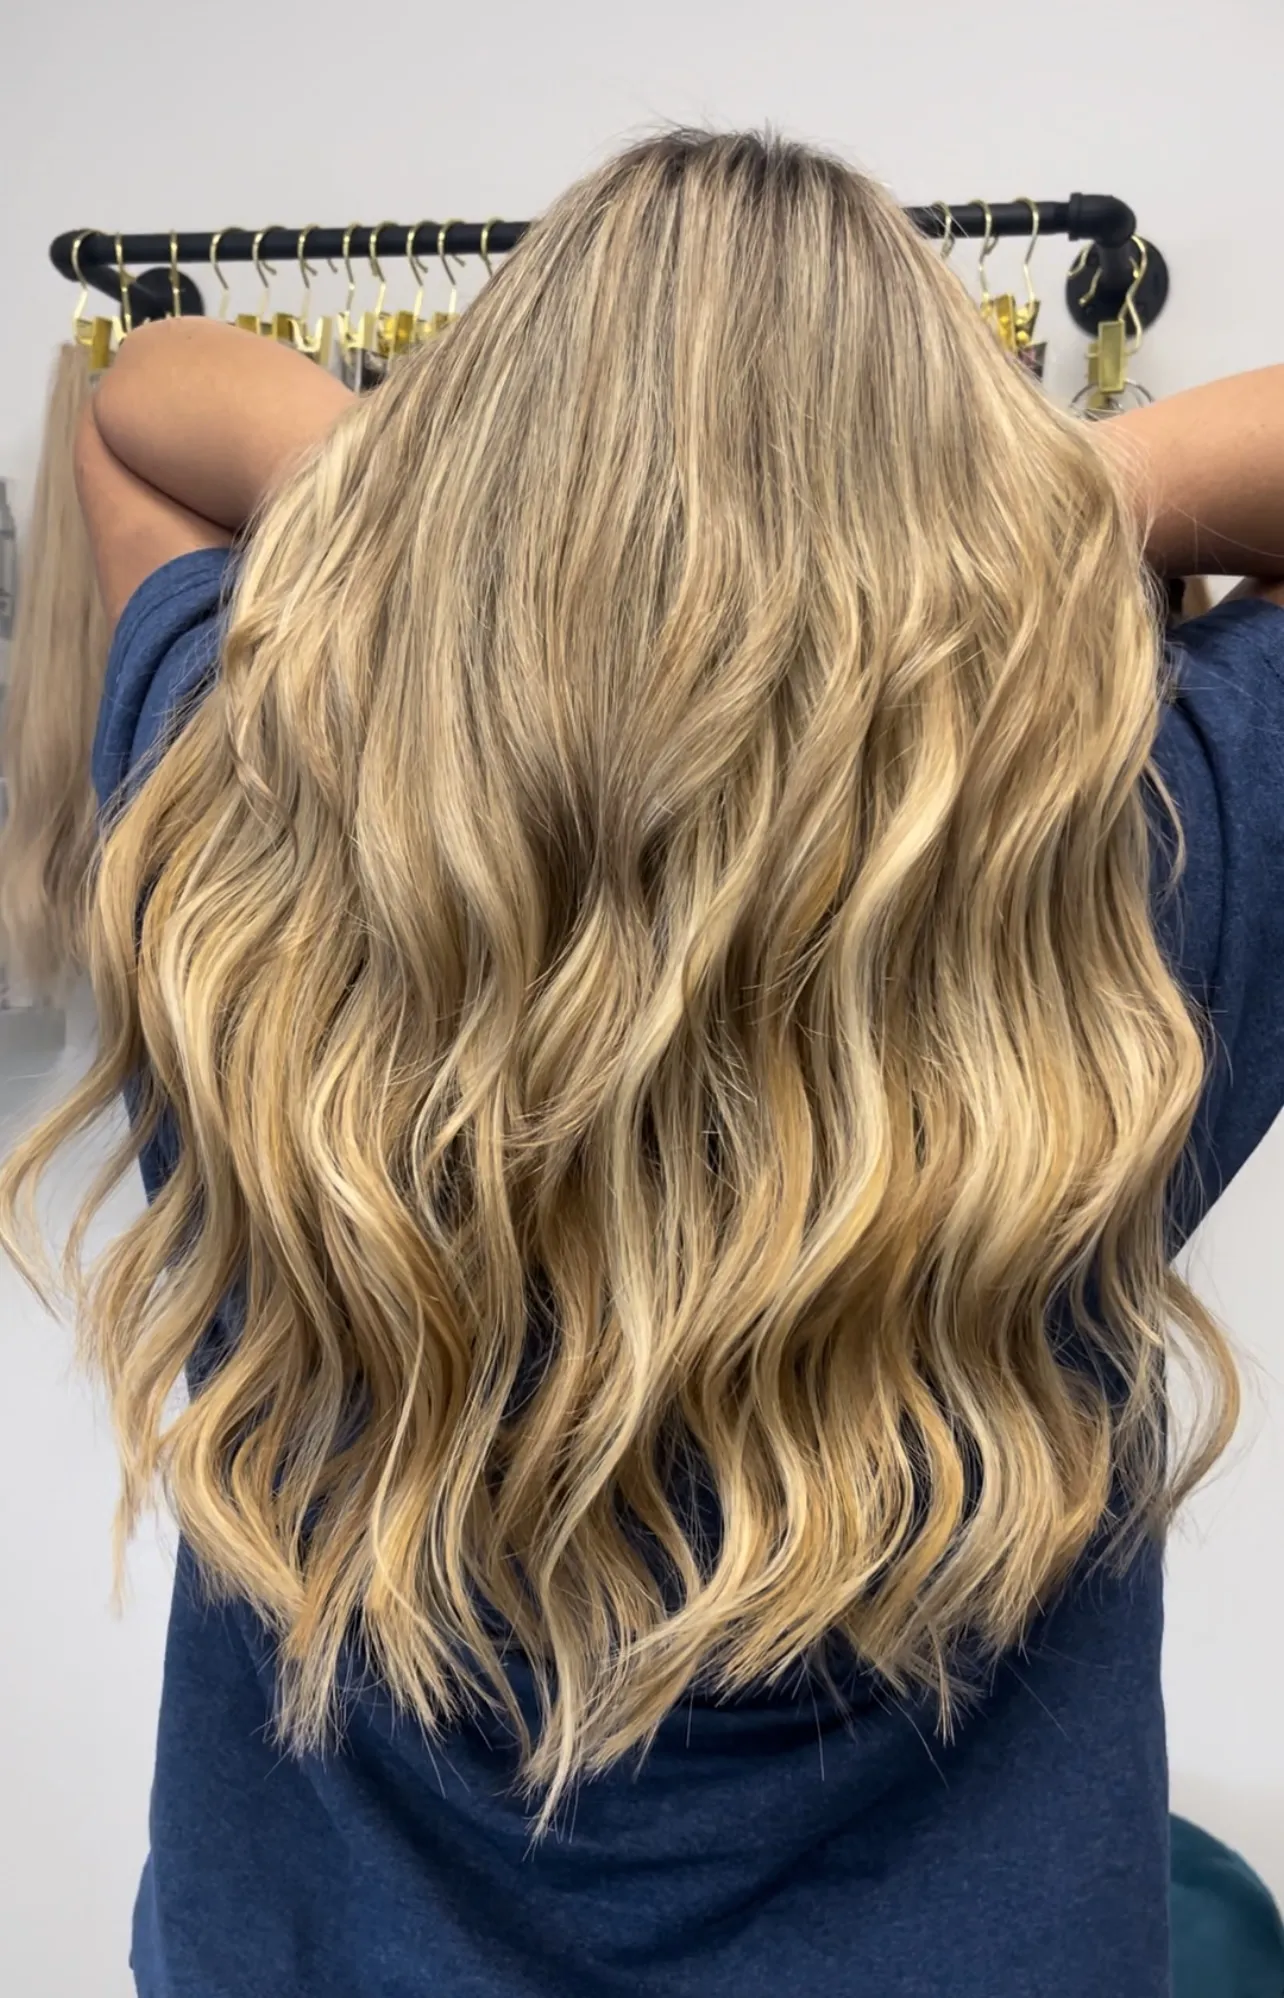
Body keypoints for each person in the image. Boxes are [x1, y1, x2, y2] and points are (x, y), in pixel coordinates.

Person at [1, 128, 1283, 1998]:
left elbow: (141, 407)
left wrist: (456, 525)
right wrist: (1023, 504)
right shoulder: (1128, 893)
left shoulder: (256, 869)